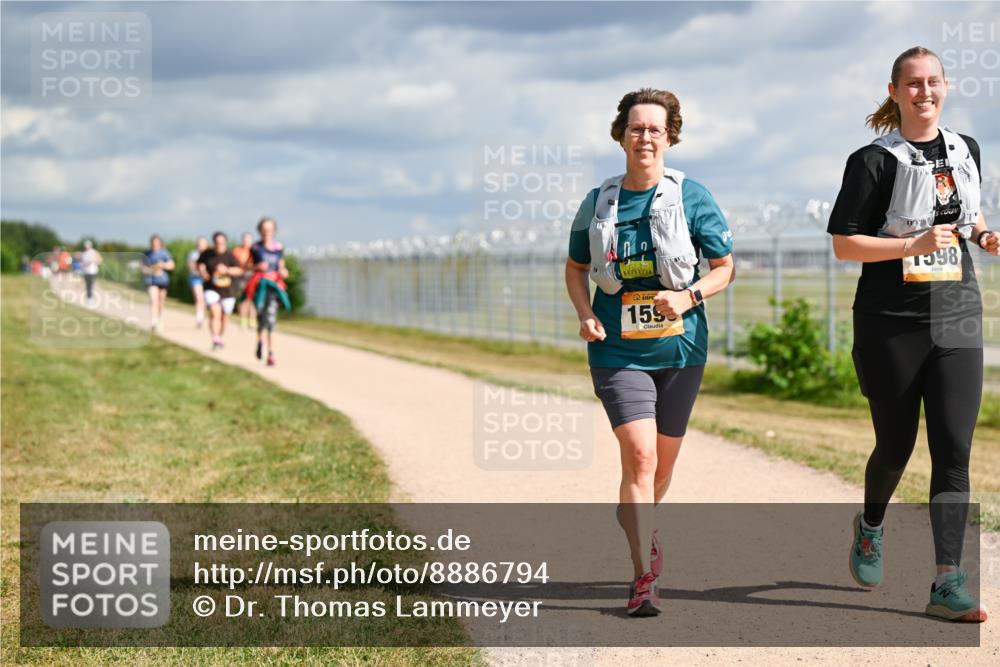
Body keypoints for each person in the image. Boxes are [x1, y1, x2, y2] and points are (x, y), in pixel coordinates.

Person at [827, 46, 993, 623]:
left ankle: (948, 579)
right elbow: (846, 245)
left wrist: (984, 235)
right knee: (895, 446)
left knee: (953, 449)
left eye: (934, 82)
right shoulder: (872, 161)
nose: (925, 92)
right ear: (894, 92)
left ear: (946, 87)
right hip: (889, 322)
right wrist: (909, 246)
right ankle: (871, 525)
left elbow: (963, 217)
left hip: (957, 314)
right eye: (913, 84)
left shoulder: (965, 150)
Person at [565, 88, 735, 617]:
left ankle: (641, 520)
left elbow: (725, 267)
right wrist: (585, 314)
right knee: (638, 457)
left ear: (670, 137)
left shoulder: (692, 196)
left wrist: (688, 296)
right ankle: (643, 578)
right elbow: (575, 269)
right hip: (617, 350)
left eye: (654, 129)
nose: (644, 137)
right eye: (635, 128)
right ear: (621, 135)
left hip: (681, 349)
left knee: (659, 470)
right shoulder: (598, 202)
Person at [245, 217, 290, 366]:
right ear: (260, 231)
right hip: (259, 288)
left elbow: (281, 266)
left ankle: (271, 353)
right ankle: (260, 342)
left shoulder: (279, 248)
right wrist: (257, 267)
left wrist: (284, 272)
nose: (267, 233)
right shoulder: (255, 248)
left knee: (270, 320)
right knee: (261, 319)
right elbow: (246, 267)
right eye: (264, 230)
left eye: (270, 230)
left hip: (274, 288)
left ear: (274, 231)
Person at [197, 231, 243, 350]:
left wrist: (226, 270)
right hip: (211, 287)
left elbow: (239, 271)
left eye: (222, 242)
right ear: (214, 243)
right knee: (214, 312)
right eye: (217, 242)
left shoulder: (230, 256)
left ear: (225, 243)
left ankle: (219, 337)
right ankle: (215, 338)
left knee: (224, 317)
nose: (219, 245)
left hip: (228, 290)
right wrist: (202, 271)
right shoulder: (207, 254)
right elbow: (198, 265)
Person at [141, 234, 175, 331]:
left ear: (159, 243)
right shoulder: (146, 253)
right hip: (151, 280)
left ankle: (160, 318)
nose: (155, 244)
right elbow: (143, 268)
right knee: (153, 299)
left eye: (157, 242)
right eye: (153, 243)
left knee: (161, 300)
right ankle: (153, 321)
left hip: (163, 280)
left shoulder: (164, 253)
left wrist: (162, 265)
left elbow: (172, 265)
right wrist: (151, 270)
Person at [232, 232, 256, 330]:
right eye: (245, 239)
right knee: (244, 299)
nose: (246, 241)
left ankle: (252, 321)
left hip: (253, 277)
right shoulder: (237, 251)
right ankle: (243, 320)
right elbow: (233, 264)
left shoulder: (255, 250)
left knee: (253, 300)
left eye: (248, 239)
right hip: (240, 278)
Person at [187, 236, 209, 328]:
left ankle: (202, 316)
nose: (201, 246)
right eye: (199, 244)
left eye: (203, 244)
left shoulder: (210, 254)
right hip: (195, 278)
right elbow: (191, 267)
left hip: (207, 279)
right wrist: (201, 271)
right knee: (199, 298)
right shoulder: (193, 255)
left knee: (205, 300)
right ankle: (199, 318)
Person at [79, 240, 103, 307]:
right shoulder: (84, 253)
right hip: (86, 271)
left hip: (92, 271)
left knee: (90, 285)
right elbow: (82, 262)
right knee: (88, 285)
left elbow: (100, 260)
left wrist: (94, 261)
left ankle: (90, 298)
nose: (86, 247)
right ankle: (89, 298)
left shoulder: (94, 252)